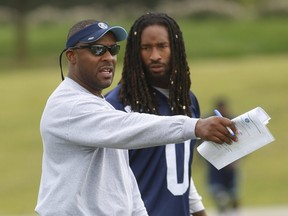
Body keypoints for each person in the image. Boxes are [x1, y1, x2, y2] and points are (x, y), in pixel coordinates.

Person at [35, 19, 237, 216]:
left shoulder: (100, 104)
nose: (108, 57)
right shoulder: (69, 107)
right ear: (71, 56)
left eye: (113, 49)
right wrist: (195, 126)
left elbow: (124, 180)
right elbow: (127, 125)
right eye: (97, 49)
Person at [105, 12, 206, 216]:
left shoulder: (187, 100)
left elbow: (177, 168)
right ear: (135, 52)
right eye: (146, 48)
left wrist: (199, 211)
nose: (155, 56)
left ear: (175, 49)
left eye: (162, 46)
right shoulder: (115, 106)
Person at [206, 98, 241, 216]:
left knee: (234, 193)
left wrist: (238, 160)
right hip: (215, 164)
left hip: (231, 164)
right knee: (219, 193)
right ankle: (223, 212)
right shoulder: (209, 123)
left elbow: (243, 143)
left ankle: (235, 212)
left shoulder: (233, 120)